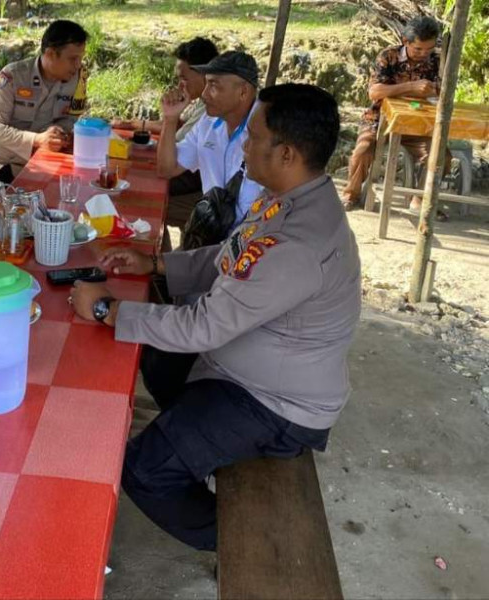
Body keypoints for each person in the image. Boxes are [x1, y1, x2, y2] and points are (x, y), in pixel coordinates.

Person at [68, 84, 361, 551]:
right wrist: (158, 264)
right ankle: (191, 437)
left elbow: (204, 325)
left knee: (143, 469)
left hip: (273, 403)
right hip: (244, 363)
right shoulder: (290, 196)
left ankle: (247, 541)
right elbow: (232, 257)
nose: (245, 144)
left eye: (255, 136)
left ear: (286, 153)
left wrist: (108, 309)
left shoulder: (298, 242)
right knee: (157, 355)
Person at [155, 51, 265, 242]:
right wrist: (170, 119)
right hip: (211, 231)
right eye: (206, 84)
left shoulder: (268, 132)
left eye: (214, 85)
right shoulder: (208, 123)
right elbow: (167, 168)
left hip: (251, 242)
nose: (204, 94)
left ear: (243, 92)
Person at [340, 15, 443, 212]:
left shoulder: (438, 61)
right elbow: (375, 92)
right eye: (418, 49)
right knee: (363, 150)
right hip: (380, 119)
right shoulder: (388, 56)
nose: (424, 54)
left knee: (440, 156)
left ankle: (421, 199)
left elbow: (441, 93)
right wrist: (411, 87)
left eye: (429, 49)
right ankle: (351, 194)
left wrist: (434, 92)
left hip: (417, 123)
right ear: (406, 41)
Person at [0, 19, 88, 183]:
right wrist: (38, 139)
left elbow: (71, 118)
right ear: (50, 54)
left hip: (36, 160)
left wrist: (58, 131)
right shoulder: (13, 76)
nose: (78, 65)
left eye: (80, 58)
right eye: (73, 59)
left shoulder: (77, 78)